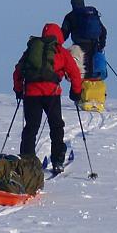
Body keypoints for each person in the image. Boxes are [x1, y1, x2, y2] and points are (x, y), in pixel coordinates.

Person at [13, 23, 83, 171]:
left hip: (31, 94)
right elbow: (74, 73)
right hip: (51, 94)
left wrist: (19, 90)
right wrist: (76, 92)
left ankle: (26, 162)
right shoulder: (60, 51)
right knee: (56, 126)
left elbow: (18, 72)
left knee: (31, 128)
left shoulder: (31, 50)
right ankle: (57, 160)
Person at [61, 0, 107, 78]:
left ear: (72, 2)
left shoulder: (70, 16)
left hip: (79, 49)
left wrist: (55, 46)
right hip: (94, 47)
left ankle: (81, 91)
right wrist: (101, 45)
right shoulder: (90, 14)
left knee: (79, 76)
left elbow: (63, 35)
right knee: (94, 75)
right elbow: (103, 31)